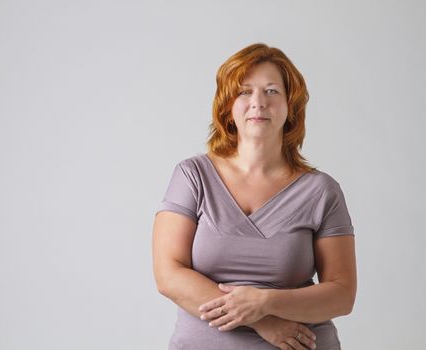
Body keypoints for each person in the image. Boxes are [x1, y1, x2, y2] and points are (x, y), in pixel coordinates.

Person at [152, 43, 357, 350]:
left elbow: (342, 295)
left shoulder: (322, 191)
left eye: (272, 91)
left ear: (291, 106)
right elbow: (168, 274)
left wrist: (266, 300)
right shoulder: (193, 176)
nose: (258, 103)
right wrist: (261, 320)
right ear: (227, 107)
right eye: (245, 91)